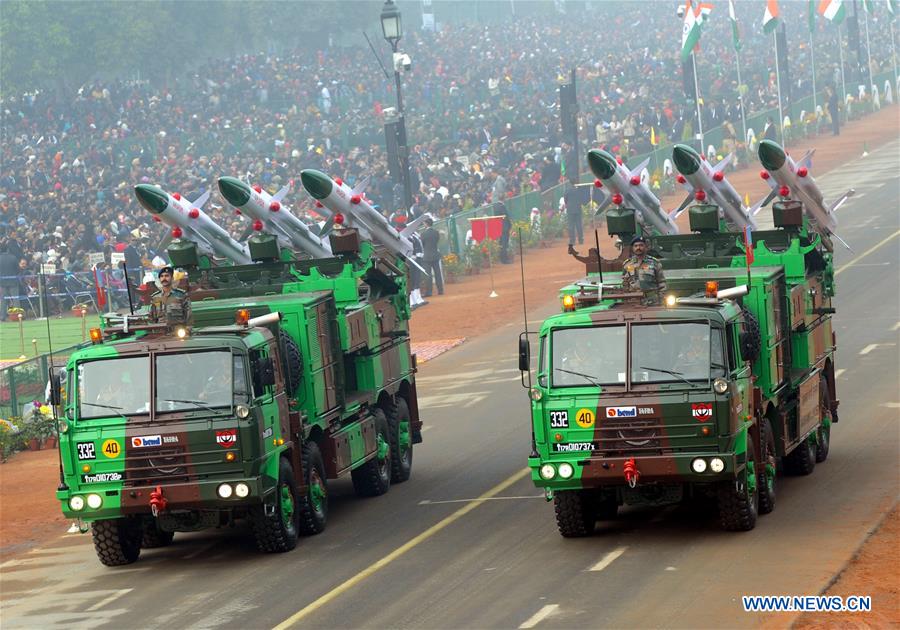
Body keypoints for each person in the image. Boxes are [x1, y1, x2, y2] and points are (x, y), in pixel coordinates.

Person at [621, 236, 666, 306]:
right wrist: (626, 300)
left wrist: (662, 300)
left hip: (652, 301)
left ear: (645, 247)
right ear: (632, 248)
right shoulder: (627, 264)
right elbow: (625, 284)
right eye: (636, 246)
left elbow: (661, 283)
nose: (638, 248)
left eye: (641, 245)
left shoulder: (655, 263)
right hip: (633, 301)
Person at [420, 216, 444, 297]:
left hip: (427, 256)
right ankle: (440, 290)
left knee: (428, 274)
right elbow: (437, 241)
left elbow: (422, 244)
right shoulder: (436, 232)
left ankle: (429, 291)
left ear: (426, 224)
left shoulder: (423, 234)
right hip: (435, 254)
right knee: (438, 273)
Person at [563, 177, 584, 246]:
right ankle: (581, 240)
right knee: (579, 225)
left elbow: (565, 199)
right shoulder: (579, 190)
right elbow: (582, 198)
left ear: (570, 182)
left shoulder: (567, 190)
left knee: (571, 225)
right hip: (578, 208)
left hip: (570, 209)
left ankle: (572, 241)